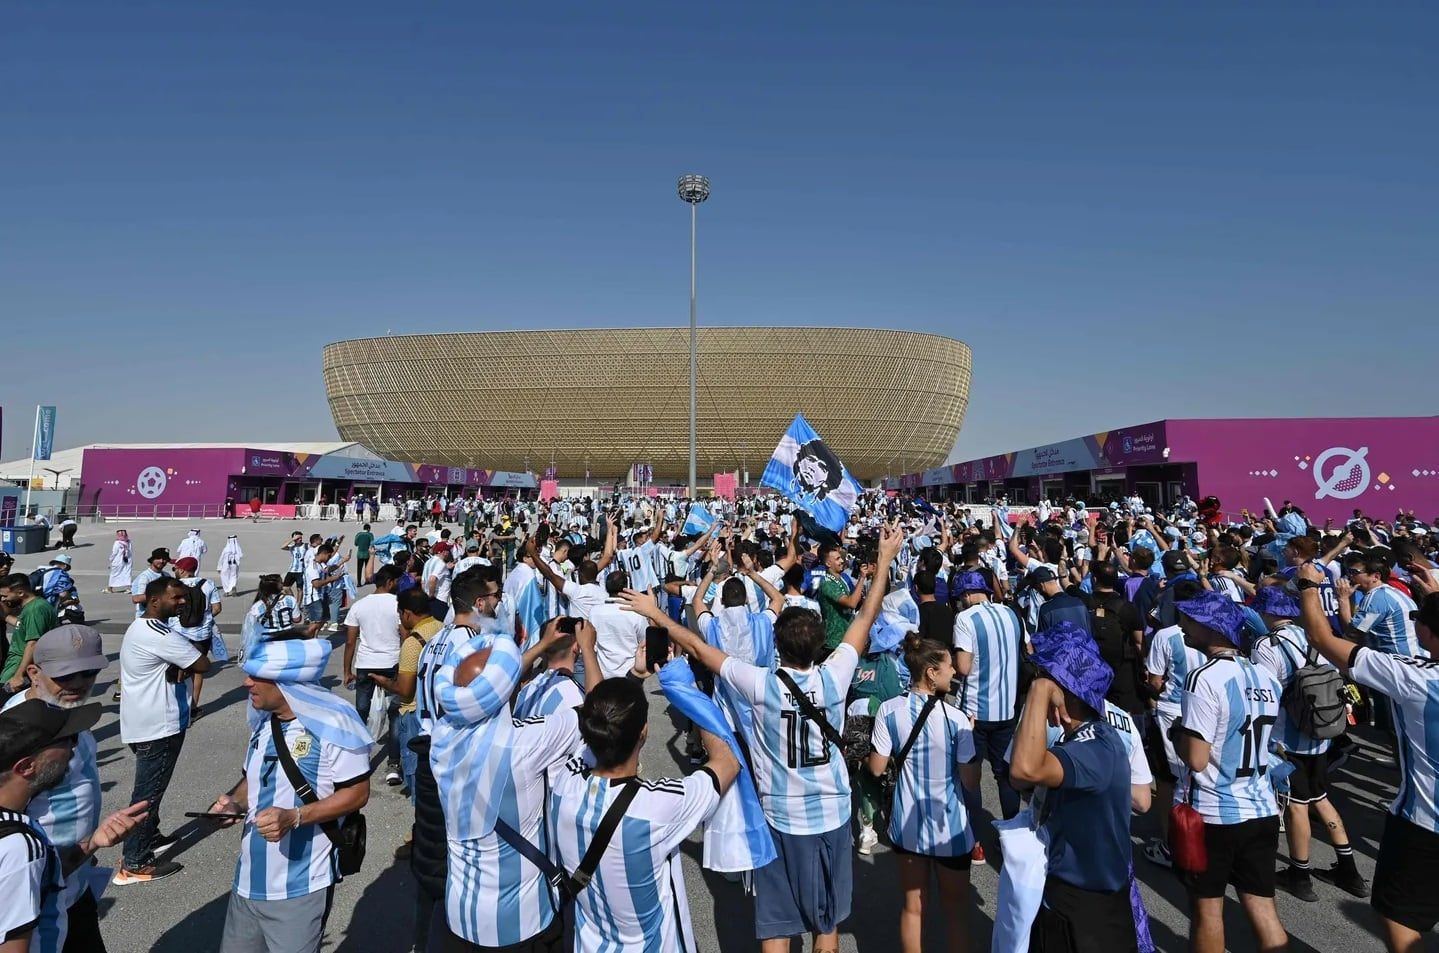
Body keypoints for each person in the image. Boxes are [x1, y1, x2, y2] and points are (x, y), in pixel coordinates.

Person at [644, 525, 902, 953]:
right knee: (828, 923)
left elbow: (697, 646)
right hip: (834, 813)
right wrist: (885, 562)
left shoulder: (761, 685)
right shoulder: (836, 676)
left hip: (781, 818)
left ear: (778, 646)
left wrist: (656, 615)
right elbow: (864, 618)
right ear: (821, 645)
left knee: (776, 926)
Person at [424, 619, 604, 952]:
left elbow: (490, 690)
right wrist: (588, 651)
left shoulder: (442, 738)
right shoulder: (524, 744)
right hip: (522, 923)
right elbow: (598, 715)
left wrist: (541, 645)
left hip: (461, 913)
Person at [1295, 564, 1439, 953]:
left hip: (1423, 827)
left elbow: (1322, 638)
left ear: (1427, 633)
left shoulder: (1414, 678)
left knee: (1400, 917)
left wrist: (1309, 585)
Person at [549, 675, 740, 953]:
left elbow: (601, 729)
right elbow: (727, 762)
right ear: (644, 732)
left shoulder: (564, 784)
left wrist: (633, 678)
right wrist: (692, 696)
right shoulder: (658, 806)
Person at [207, 634, 371, 953]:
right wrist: (233, 803)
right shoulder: (265, 722)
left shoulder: (335, 720)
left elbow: (357, 792)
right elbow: (252, 780)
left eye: (257, 676)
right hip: (249, 879)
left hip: (300, 885)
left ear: (287, 681)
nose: (246, 682)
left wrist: (295, 817)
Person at [1009, 621, 1142, 953]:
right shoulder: (1092, 737)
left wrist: (1039, 688)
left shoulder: (1092, 750)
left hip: (1085, 909)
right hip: (1080, 896)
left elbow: (1022, 771)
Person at [1170, 590, 1289, 953]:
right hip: (1261, 805)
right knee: (1262, 906)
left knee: (1208, 910)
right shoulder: (1266, 677)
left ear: (1210, 627)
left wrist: (1177, 733)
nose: (1183, 625)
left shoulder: (1202, 677)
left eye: (1190, 619)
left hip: (1215, 812)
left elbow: (1197, 758)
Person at [1246, 585, 1368, 902]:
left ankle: (1299, 874)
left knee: (1297, 806)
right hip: (1322, 733)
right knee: (1321, 796)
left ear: (1267, 612)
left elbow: (1267, 693)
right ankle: (1349, 868)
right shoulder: (1313, 635)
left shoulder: (1266, 645)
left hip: (1289, 737)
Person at [0, 700, 147, 953]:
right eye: (66, 740)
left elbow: (39, 881)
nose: (73, 748)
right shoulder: (19, 846)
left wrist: (93, 842)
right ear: (26, 767)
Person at [1, 626, 111, 951]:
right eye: (65, 676)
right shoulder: (20, 732)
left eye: (88, 672)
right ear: (34, 672)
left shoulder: (67, 715)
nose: (78, 684)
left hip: (75, 877)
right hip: (37, 887)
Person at [866, 636, 978, 953]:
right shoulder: (957, 719)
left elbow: (876, 768)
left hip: (907, 823)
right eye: (947, 665)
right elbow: (970, 781)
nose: (954, 670)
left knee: (913, 908)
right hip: (950, 828)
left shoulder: (889, 710)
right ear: (931, 672)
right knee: (956, 912)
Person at [115, 576, 211, 885]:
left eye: (184, 597)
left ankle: (150, 836)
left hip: (142, 722)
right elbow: (203, 664)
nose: (182, 602)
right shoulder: (160, 634)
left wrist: (180, 665)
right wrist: (185, 663)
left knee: (150, 790)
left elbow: (182, 664)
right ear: (155, 601)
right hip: (159, 726)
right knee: (148, 795)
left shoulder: (141, 627)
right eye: (177, 598)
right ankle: (135, 862)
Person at [950, 568, 1026, 842]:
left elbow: (964, 666)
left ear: (968, 595)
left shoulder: (965, 619)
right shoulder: (1011, 613)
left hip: (974, 710)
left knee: (970, 776)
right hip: (1006, 708)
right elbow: (1025, 650)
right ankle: (1014, 836)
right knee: (1004, 774)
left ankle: (975, 841)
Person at [341, 565, 404, 786]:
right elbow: (404, 636)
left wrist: (347, 670)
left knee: (361, 711)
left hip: (366, 664)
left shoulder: (359, 606)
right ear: (389, 582)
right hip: (393, 664)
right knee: (395, 713)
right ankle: (394, 765)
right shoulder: (398, 605)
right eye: (397, 581)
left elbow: (350, 641)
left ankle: (359, 760)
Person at [172, 556, 222, 718]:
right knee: (197, 671)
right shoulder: (208, 584)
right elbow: (217, 608)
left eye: (176, 568)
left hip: (178, 632)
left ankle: (175, 706)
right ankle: (193, 708)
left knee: (176, 669)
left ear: (182, 570)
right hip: (201, 634)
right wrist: (203, 618)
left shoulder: (174, 586)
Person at [1, 575, 61, 698]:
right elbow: (22, 626)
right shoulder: (36, 606)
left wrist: (18, 675)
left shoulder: (34, 610)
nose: (2, 599)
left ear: (21, 593)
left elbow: (33, 643)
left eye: (5, 596)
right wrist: (5, 616)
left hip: (19, 670)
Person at [130, 549, 171, 618]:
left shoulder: (167, 575)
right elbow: (137, 599)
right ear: (152, 560)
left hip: (162, 615)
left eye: (164, 559)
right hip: (145, 615)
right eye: (158, 558)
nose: (161, 561)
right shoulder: (145, 576)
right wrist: (162, 596)